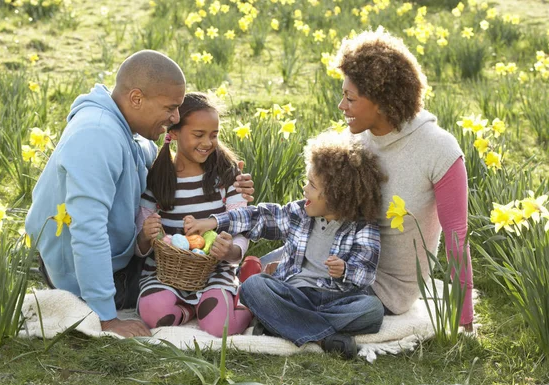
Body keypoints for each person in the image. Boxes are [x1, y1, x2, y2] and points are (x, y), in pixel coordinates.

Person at [25, 51, 254, 338]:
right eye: (170, 108)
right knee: (158, 303)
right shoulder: (95, 136)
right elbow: (87, 232)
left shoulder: (128, 131)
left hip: (119, 261)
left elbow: (164, 162)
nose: (174, 118)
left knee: (192, 282)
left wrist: (230, 177)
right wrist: (107, 319)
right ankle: (239, 289)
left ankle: (234, 285)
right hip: (82, 275)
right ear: (136, 98)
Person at [185, 131, 387, 359]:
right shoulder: (299, 213)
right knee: (253, 286)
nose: (305, 189)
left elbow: (366, 273)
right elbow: (258, 217)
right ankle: (323, 338)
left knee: (372, 310)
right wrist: (213, 221)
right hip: (293, 293)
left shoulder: (364, 227)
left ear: (337, 195)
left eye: (312, 185)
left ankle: (280, 322)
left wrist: (345, 270)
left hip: (335, 298)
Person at [335, 28, 474, 330]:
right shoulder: (357, 139)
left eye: (350, 98)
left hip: (386, 291)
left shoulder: (439, 149)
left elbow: (456, 237)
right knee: (266, 279)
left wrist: (463, 321)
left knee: (274, 292)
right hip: (341, 268)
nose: (341, 106)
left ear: (382, 102)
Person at [135, 92, 252, 337]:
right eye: (198, 135)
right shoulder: (157, 179)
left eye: (214, 135)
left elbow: (242, 225)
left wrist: (230, 251)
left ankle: (249, 301)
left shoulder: (226, 177)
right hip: (166, 273)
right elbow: (141, 241)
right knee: (153, 313)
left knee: (219, 327)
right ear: (174, 133)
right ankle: (190, 309)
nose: (208, 143)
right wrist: (145, 236)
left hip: (214, 270)